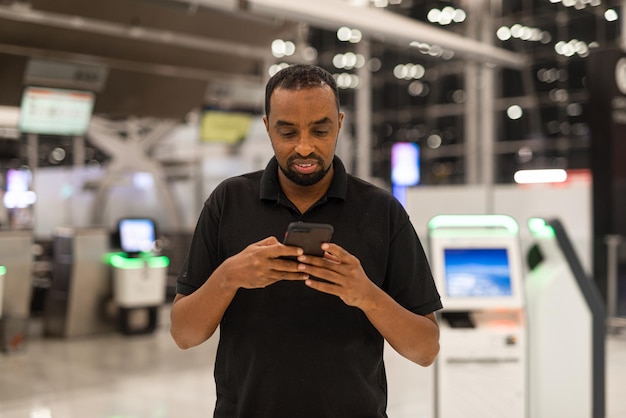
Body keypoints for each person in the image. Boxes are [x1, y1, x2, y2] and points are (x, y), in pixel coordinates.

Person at [170, 64, 442, 418]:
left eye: (320, 130)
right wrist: (229, 277)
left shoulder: (382, 211)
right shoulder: (228, 202)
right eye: (287, 132)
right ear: (267, 127)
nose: (304, 147)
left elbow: (425, 350)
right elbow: (184, 335)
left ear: (340, 125)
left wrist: (366, 294)